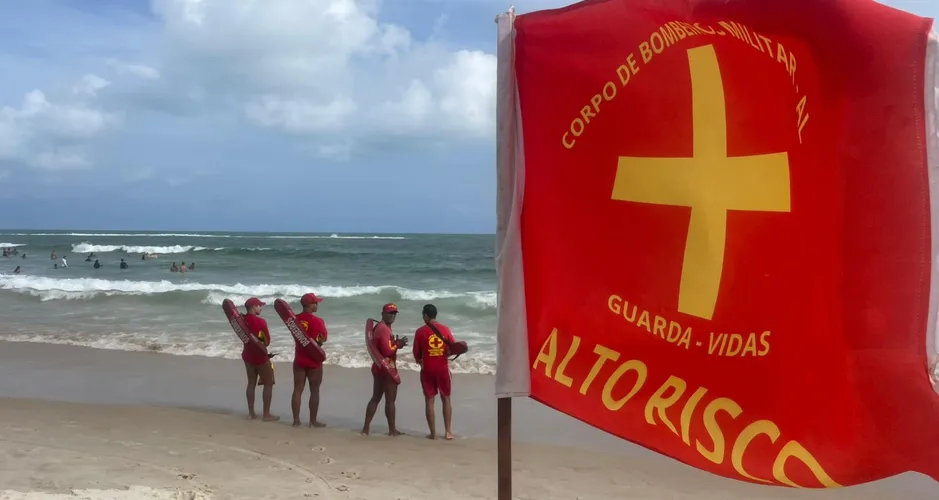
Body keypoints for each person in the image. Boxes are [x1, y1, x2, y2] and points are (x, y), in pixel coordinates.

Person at [361, 303, 408, 436]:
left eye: (394, 314)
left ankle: (365, 429)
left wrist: (395, 344)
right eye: (390, 313)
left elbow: (382, 347)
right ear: (382, 314)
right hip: (387, 369)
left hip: (378, 366)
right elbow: (387, 351)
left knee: (375, 398)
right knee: (390, 400)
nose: (392, 316)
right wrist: (397, 345)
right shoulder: (384, 329)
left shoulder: (379, 327)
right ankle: (392, 430)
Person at [413, 304, 456, 440]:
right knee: (446, 399)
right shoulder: (446, 329)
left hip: (428, 369)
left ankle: (433, 434)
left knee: (430, 400)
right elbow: (452, 348)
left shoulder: (420, 332)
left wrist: (421, 361)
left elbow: (416, 353)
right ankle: (448, 432)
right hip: (442, 368)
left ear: (425, 315)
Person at [292, 292, 327, 428]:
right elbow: (323, 339)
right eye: (316, 303)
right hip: (314, 360)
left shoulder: (294, 319)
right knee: (315, 391)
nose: (317, 305)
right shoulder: (318, 321)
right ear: (310, 305)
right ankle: (312, 421)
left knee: (297, 390)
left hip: (299, 358)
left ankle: (296, 421)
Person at [242, 297, 278, 422]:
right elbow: (266, 342)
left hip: (247, 355)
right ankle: (266, 414)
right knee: (268, 383)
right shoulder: (261, 322)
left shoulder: (242, 320)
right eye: (259, 306)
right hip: (260, 356)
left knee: (251, 383)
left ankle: (251, 413)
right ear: (253, 307)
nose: (261, 308)